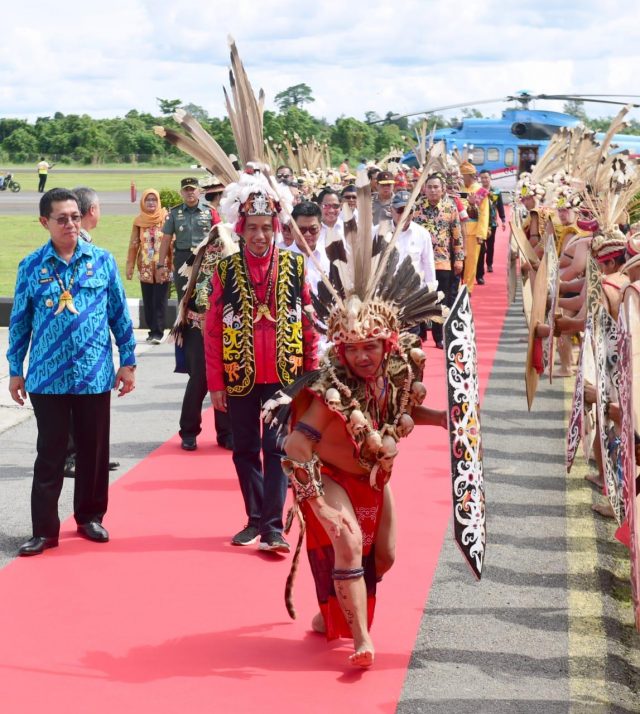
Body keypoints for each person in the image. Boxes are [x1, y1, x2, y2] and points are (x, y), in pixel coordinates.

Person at [274, 184, 447, 667]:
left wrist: (449, 421)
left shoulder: (397, 377)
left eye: (372, 346)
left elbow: (404, 418)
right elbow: (296, 444)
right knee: (348, 542)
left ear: (388, 346)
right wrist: (313, 500)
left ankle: (330, 616)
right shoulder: (330, 392)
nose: (363, 356)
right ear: (342, 351)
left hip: (374, 477)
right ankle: (363, 640)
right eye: (354, 349)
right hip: (328, 477)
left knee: (383, 558)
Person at [7, 188, 136, 556]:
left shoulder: (101, 261)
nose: (71, 225)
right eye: (62, 219)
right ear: (44, 222)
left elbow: (118, 315)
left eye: (76, 217)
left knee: (94, 451)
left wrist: (127, 361)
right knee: (49, 452)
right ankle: (44, 530)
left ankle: (90, 516)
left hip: (93, 373)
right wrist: (15, 369)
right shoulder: (32, 266)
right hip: (47, 377)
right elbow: (20, 322)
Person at [205, 171, 318, 553]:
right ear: (240, 229)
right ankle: (253, 519)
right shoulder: (224, 270)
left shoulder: (295, 267)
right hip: (239, 375)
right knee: (244, 449)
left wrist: (311, 376)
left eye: (266, 228)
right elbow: (213, 331)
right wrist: (215, 382)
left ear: (275, 228)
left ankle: (272, 526)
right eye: (252, 228)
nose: (259, 236)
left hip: (285, 377)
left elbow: (309, 327)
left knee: (276, 449)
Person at [157, 177, 221, 450]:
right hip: (196, 321)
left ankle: (228, 433)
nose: (190, 193)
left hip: (222, 329)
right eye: (186, 189)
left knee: (229, 378)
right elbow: (167, 241)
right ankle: (189, 431)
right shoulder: (175, 216)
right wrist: (162, 263)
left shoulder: (225, 263)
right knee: (200, 377)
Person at [414, 173, 464, 348]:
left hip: (442, 261)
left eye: (436, 187)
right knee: (419, 298)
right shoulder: (416, 208)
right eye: (430, 187)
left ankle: (438, 336)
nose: (433, 190)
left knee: (440, 300)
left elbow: (457, 237)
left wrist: (459, 259)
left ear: (443, 190)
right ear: (424, 189)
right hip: (419, 262)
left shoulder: (450, 209)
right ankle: (419, 333)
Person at [126, 188, 171, 344]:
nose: (151, 203)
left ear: (158, 201)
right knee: (148, 300)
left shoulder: (165, 218)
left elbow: (172, 242)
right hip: (145, 267)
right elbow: (133, 244)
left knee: (160, 300)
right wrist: (130, 266)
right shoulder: (139, 221)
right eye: (148, 200)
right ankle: (152, 331)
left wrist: (175, 265)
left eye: (153, 200)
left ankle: (159, 332)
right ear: (143, 202)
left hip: (162, 267)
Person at [459, 162, 489, 291]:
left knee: (471, 262)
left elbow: (484, 214)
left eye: (463, 175)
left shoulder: (480, 191)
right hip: (458, 230)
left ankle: (468, 289)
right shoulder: (461, 189)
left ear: (469, 176)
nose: (462, 178)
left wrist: (481, 234)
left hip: (472, 232)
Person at [476, 170, 505, 278]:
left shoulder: (496, 191)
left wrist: (503, 220)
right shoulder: (478, 191)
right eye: (482, 177)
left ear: (490, 178)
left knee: (491, 245)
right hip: (481, 223)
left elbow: (500, 206)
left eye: (486, 177)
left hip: (492, 223)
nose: (484, 180)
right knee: (482, 246)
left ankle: (489, 264)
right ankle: (480, 267)